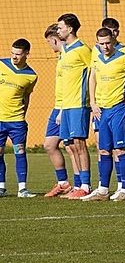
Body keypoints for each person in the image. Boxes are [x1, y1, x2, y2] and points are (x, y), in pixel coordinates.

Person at [84, 27, 125, 201]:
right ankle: (103, 190)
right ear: (97, 44)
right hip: (102, 110)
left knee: (120, 149)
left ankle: (123, 189)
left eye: (108, 43)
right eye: (102, 44)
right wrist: (93, 103)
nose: (105, 46)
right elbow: (92, 79)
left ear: (113, 41)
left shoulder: (124, 59)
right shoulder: (97, 60)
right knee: (103, 150)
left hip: (119, 109)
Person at [56, 13, 94, 200]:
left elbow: (94, 73)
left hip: (79, 103)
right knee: (69, 144)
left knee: (79, 144)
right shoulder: (65, 50)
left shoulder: (83, 49)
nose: (58, 30)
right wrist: (61, 108)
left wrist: (93, 101)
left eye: (60, 27)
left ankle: (86, 186)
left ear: (70, 29)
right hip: (67, 105)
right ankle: (78, 183)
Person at [41, 24, 78, 198]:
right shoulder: (62, 57)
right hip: (58, 106)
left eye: (49, 42)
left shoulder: (72, 54)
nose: (50, 46)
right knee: (49, 145)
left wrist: (64, 108)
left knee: (71, 147)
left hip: (68, 106)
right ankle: (63, 183)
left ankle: (80, 184)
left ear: (54, 39)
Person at [0, 39, 38, 198]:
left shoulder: (31, 76)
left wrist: (23, 114)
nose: (14, 57)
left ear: (26, 54)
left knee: (20, 151)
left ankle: (22, 189)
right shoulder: (1, 64)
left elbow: (26, 97)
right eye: (12, 53)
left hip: (17, 121)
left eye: (18, 54)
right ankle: (1, 187)